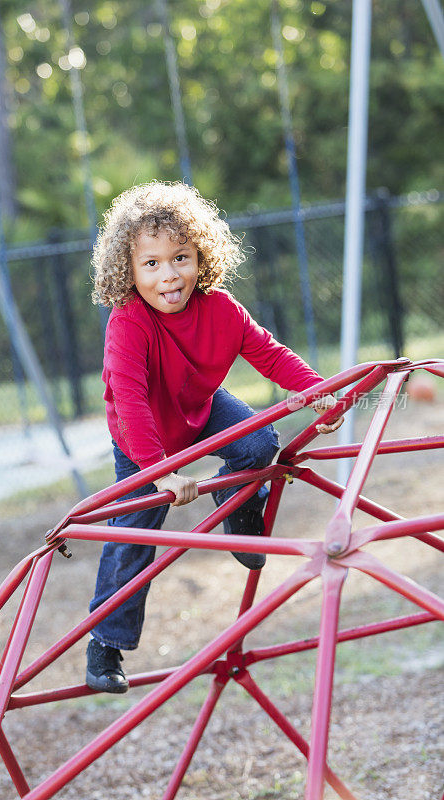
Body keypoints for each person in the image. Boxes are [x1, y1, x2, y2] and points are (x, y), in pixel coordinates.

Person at [85, 181, 343, 693]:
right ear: (129, 272)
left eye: (180, 257)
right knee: (138, 528)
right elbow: (132, 403)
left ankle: (240, 507)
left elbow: (269, 354)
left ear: (201, 257)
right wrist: (163, 472)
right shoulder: (128, 323)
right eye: (151, 264)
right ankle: (105, 644)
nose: (169, 275)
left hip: (197, 409)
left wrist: (318, 391)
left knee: (255, 443)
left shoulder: (220, 309)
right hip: (144, 435)